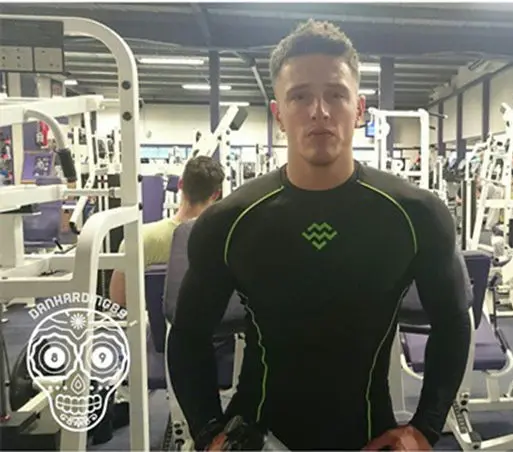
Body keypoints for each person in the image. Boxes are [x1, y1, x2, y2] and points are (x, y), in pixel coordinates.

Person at [166, 20, 471, 451]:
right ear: (278, 114)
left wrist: (425, 428)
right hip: (258, 436)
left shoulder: (416, 215)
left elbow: (453, 321)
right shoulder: (229, 221)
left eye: (336, 94)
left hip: (369, 438)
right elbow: (187, 334)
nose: (319, 111)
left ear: (359, 109)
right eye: (300, 96)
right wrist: (207, 432)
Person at [109, 156, 225, 307]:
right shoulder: (223, 240)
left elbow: (118, 299)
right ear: (215, 194)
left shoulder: (139, 239)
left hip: (156, 322)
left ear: (180, 184)